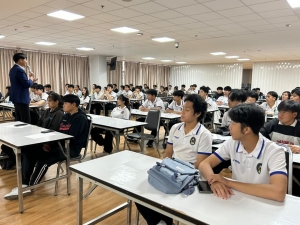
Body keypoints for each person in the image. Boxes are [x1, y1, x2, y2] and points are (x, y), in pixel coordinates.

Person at [136, 94, 212, 225]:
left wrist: (178, 174)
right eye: (183, 108)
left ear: (198, 113)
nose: (182, 112)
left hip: (191, 175)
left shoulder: (204, 134)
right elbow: (168, 154)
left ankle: (162, 220)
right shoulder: (175, 128)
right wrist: (165, 170)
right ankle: (161, 222)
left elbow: (199, 164)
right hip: (173, 170)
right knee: (140, 195)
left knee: (164, 194)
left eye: (187, 110)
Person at [199, 103, 287, 202]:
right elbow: (204, 164)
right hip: (236, 198)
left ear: (246, 130)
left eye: (233, 123)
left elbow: (278, 193)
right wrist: (213, 182)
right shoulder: (233, 143)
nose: (229, 127)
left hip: (263, 201)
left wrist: (227, 182)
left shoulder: (274, 151)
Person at [3, 93, 70, 200]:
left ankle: (27, 184)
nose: (48, 103)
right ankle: (24, 183)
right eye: (47, 101)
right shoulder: (47, 111)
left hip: (49, 142)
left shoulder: (59, 113)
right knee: (26, 151)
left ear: (57, 102)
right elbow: (39, 124)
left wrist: (46, 143)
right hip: (40, 139)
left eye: (50, 101)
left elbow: (54, 130)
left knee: (30, 153)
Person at [9, 53, 38, 123]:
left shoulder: (13, 69)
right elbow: (26, 84)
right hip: (21, 98)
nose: (26, 62)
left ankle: (19, 133)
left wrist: (31, 81)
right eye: (25, 60)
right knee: (26, 120)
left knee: (18, 118)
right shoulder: (20, 70)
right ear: (20, 60)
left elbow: (19, 83)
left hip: (16, 97)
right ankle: (25, 133)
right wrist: (31, 78)